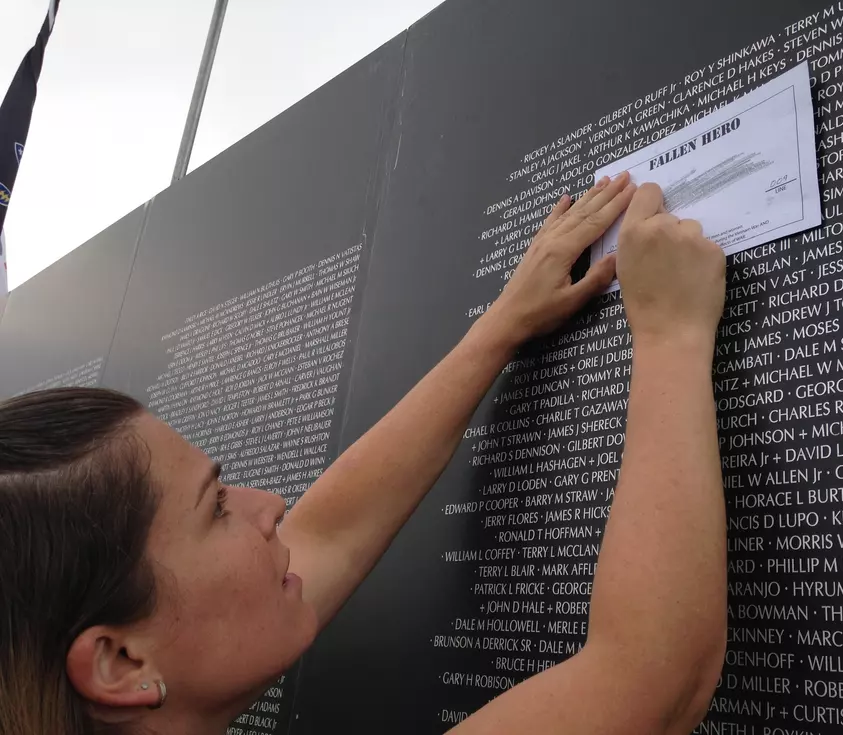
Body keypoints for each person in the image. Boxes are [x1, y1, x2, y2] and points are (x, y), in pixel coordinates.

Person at [0, 173, 728, 735]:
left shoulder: (168, 665)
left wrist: (501, 325)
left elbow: (332, 529)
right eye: (216, 509)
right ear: (120, 663)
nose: (271, 505)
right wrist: (670, 334)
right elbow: (649, 681)